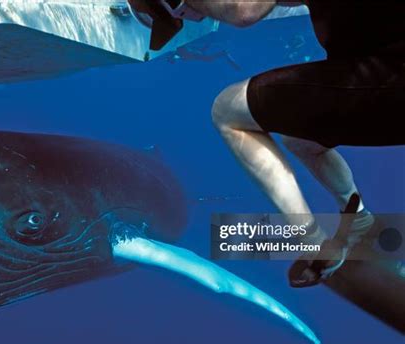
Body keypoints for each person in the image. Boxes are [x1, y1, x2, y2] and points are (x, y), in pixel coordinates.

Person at [131, 0, 405, 286]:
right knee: (299, 135)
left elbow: (244, 10)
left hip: (390, 75)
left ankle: (314, 243)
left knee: (227, 111)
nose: (191, 20)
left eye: (180, 14)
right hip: (379, 71)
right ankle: (360, 221)